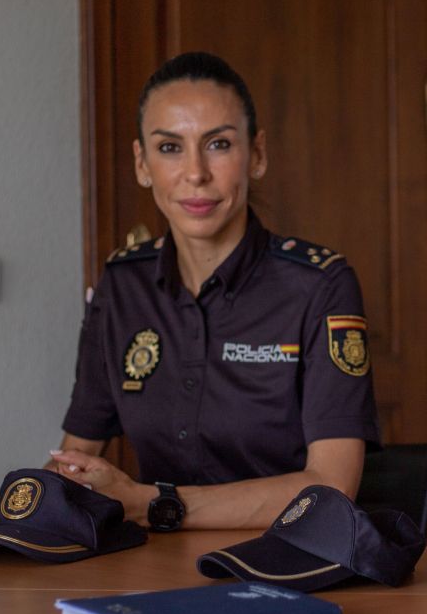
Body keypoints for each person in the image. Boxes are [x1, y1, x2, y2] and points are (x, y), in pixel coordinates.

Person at [46, 52, 379, 532]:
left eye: (218, 144)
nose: (196, 173)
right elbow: (75, 456)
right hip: (150, 570)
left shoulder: (320, 285)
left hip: (289, 564)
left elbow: (330, 487)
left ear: (257, 154)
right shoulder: (122, 283)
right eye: (169, 148)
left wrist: (152, 503)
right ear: (142, 163)